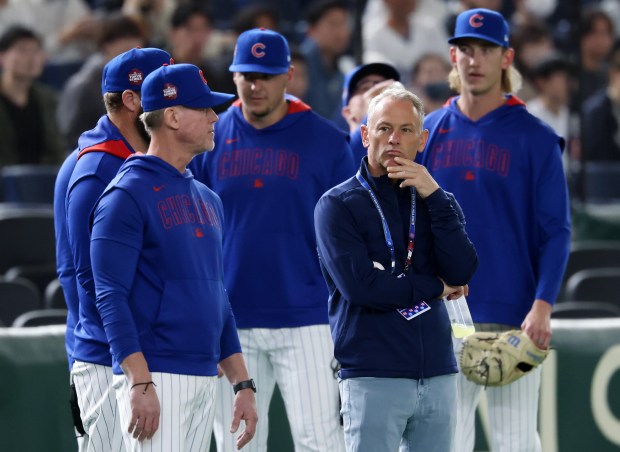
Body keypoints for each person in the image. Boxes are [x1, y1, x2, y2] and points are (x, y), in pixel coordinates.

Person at [189, 28, 354, 452]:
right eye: (246, 74)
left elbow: (350, 232)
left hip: (309, 316)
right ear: (233, 76)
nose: (255, 85)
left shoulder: (328, 141)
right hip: (230, 320)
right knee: (236, 445)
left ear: (289, 76)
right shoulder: (210, 138)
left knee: (321, 440)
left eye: (265, 75)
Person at [418, 8, 571, 452]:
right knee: (444, 441)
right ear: (453, 56)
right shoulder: (429, 132)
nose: (474, 59)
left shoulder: (536, 137)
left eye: (485, 49)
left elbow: (557, 231)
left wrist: (543, 305)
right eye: (465, 49)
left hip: (515, 313)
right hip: (444, 313)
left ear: (507, 57)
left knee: (518, 442)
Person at [90, 63, 258, 450]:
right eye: (204, 108)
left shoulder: (207, 197)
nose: (215, 116)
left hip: (202, 374)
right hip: (157, 374)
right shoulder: (125, 195)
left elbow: (217, 296)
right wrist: (138, 379)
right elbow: (109, 296)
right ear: (173, 116)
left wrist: (242, 382)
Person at [314, 86, 479, 452]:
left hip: (437, 370)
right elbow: (363, 288)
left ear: (421, 140)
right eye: (384, 128)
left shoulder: (439, 200)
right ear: (365, 134)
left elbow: (463, 270)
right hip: (372, 372)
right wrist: (436, 286)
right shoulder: (337, 205)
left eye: (405, 130)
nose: (393, 139)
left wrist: (434, 195)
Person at [60, 47, 171, 451]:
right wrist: (127, 352)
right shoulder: (94, 168)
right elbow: (84, 277)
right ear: (132, 100)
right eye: (163, 91)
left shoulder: (148, 158)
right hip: (108, 357)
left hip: (140, 348)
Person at [0, 25, 65, 165]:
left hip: (42, 179)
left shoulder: (47, 98)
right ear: (2, 56)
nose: (30, 58)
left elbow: (57, 150)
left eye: (36, 50)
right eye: (22, 50)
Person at [341, 62, 401, 164]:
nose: (379, 93)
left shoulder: (408, 148)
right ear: (348, 112)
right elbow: (350, 155)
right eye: (366, 88)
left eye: (385, 90)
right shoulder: (334, 152)